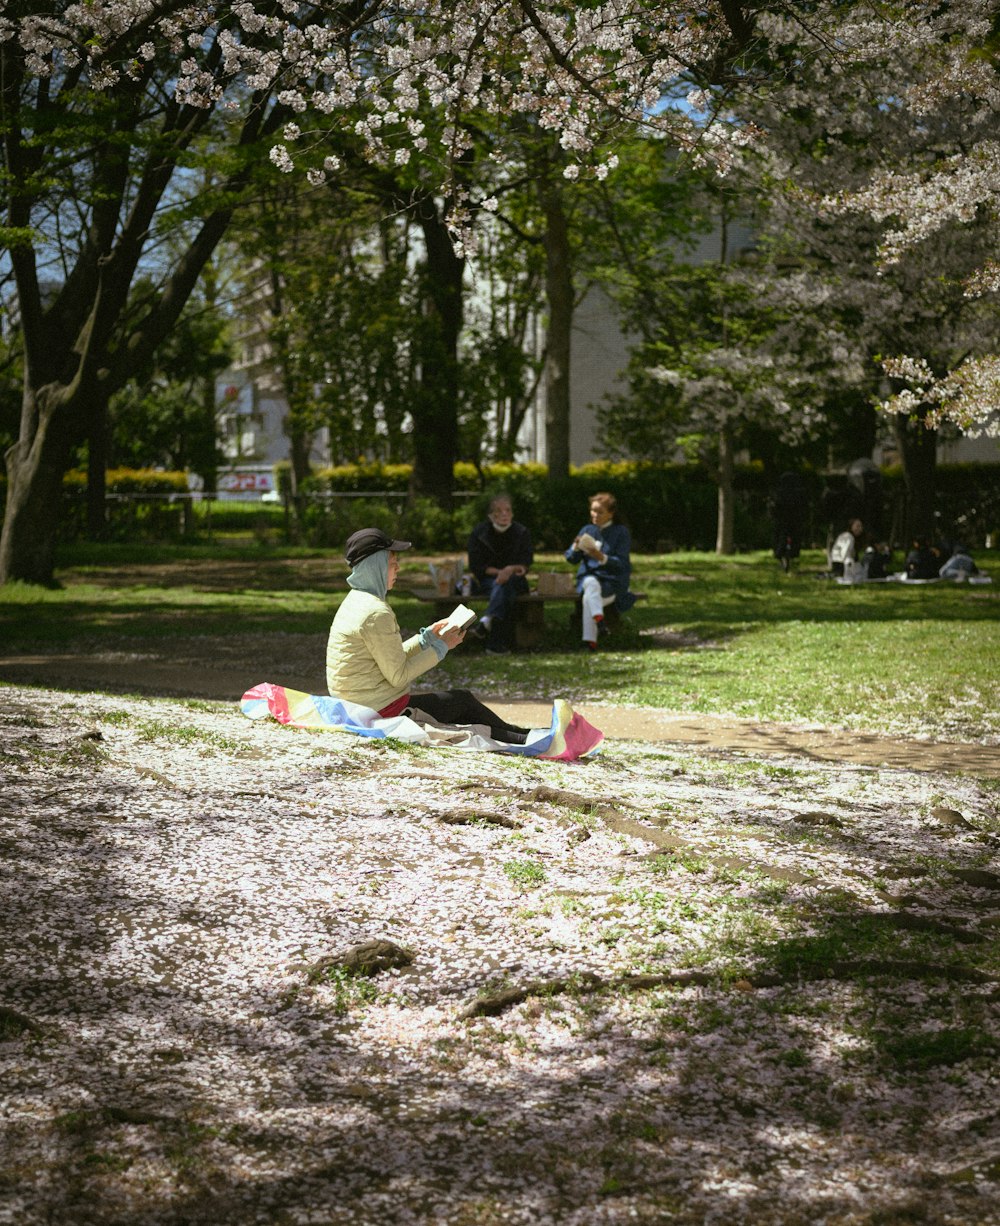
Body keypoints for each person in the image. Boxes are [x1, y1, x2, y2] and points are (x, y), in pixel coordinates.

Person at [325, 527, 532, 744]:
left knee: (461, 704)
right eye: (393, 564)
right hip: (382, 711)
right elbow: (398, 676)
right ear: (375, 566)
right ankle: (526, 739)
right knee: (463, 702)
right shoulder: (376, 612)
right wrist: (441, 648)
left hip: (360, 705)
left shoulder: (356, 600)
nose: (398, 569)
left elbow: (390, 658)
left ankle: (522, 735)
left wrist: (426, 639)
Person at [565, 491, 636, 650]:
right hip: (590, 579)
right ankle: (599, 622)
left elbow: (622, 564)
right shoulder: (587, 530)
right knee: (590, 583)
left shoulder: (621, 532)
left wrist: (601, 557)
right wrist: (576, 548)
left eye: (600, 512)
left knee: (588, 597)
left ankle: (591, 641)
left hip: (612, 581)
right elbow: (570, 559)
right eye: (592, 510)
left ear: (611, 514)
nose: (595, 515)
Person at [466, 493, 533, 655]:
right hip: (489, 580)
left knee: (504, 585)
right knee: (502, 588)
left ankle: (487, 624)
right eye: (499, 511)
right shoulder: (479, 533)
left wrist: (510, 570)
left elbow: (525, 564)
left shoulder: (522, 532)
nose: (504, 514)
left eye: (508, 511)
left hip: (516, 581)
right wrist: (501, 572)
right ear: (491, 515)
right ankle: (495, 643)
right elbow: (477, 566)